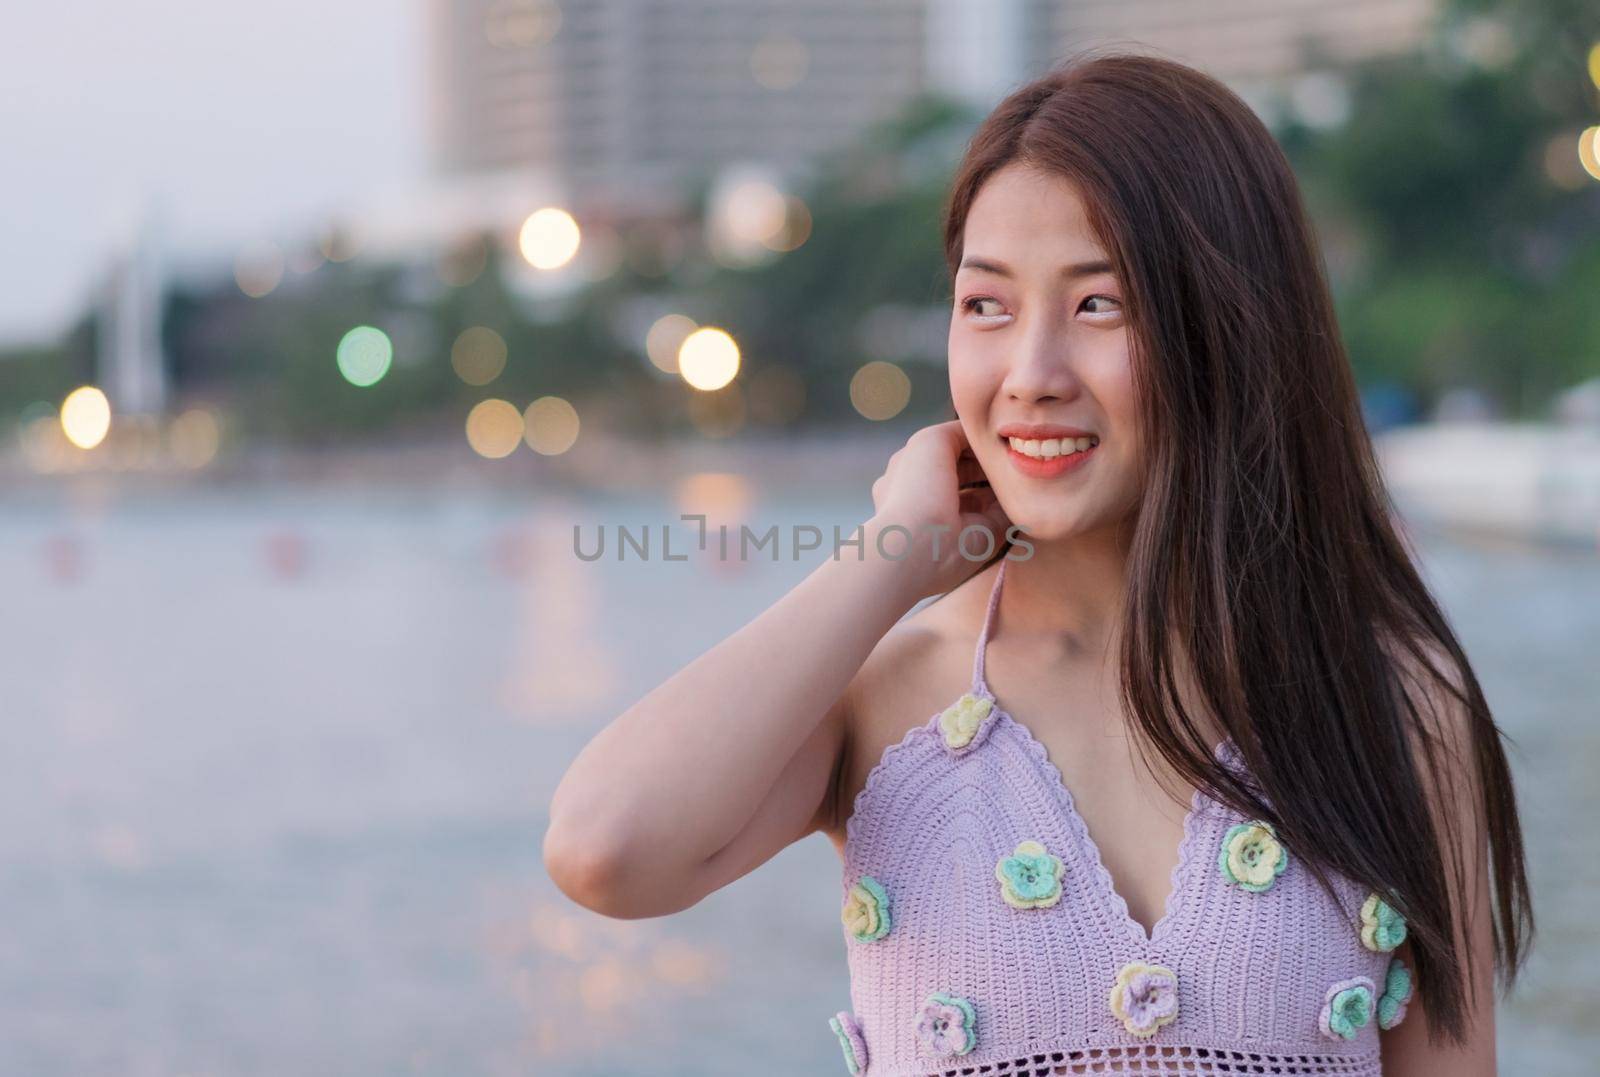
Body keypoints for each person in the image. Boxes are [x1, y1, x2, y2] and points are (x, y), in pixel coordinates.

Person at [544, 51, 1533, 1076]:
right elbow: (606, 851)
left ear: (1233, 325)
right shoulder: (889, 693)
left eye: (1098, 305)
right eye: (987, 306)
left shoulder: (1388, 701)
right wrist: (887, 558)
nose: (1030, 376)